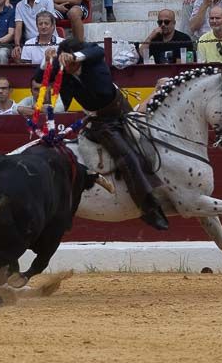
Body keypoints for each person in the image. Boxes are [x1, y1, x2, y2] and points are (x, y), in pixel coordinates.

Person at [44, 35, 168, 228]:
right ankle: (148, 207)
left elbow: (97, 50)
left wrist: (75, 56)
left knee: (152, 137)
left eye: (67, 61)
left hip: (123, 109)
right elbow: (63, 103)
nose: (66, 66)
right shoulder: (66, 76)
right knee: (127, 157)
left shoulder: (91, 59)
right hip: (101, 123)